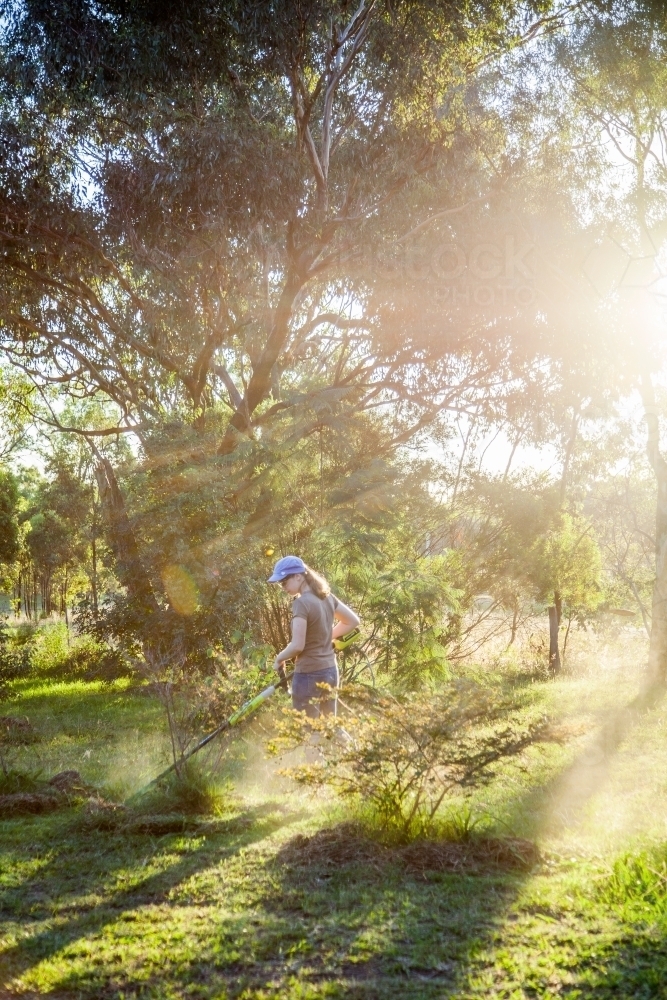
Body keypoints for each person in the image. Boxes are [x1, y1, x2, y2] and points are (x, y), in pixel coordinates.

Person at [268, 555, 360, 718]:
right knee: (331, 726)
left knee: (309, 731)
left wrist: (279, 658)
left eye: (284, 581)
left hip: (308, 673)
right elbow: (352, 621)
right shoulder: (327, 597)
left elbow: (297, 646)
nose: (283, 587)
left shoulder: (301, 603)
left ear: (298, 576)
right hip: (330, 671)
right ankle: (352, 745)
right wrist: (325, 637)